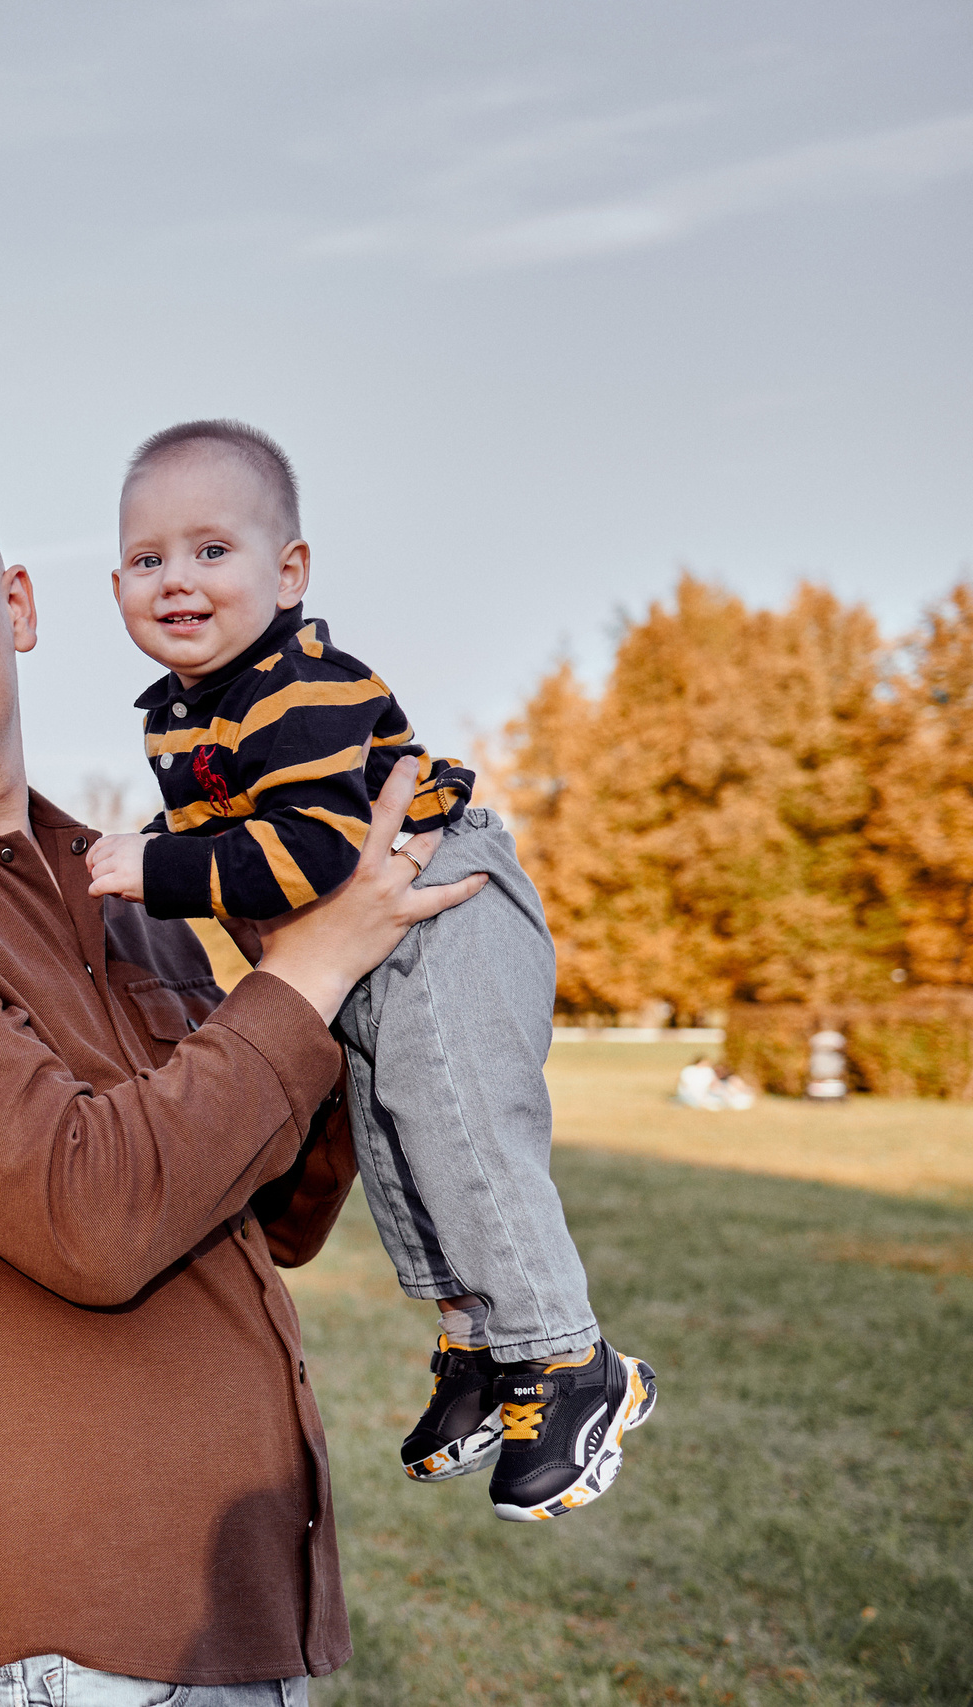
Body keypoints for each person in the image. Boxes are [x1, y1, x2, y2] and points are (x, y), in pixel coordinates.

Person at [0, 451, 483, 1707]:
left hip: (238, 1616)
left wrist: (356, 969)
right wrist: (306, 970)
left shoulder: (132, 883)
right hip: (64, 1641)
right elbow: (95, 1217)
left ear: (17, 608)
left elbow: (272, 1215)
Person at [85, 421, 658, 1526]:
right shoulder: (184, 712)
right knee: (391, 1129)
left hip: (441, 897)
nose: (176, 580)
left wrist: (154, 868)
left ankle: (568, 1357)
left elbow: (311, 850)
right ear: (117, 588)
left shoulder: (299, 686)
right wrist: (163, 853)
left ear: (289, 571)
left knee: (456, 1116)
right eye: (147, 559)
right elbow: (228, 838)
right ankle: (480, 1343)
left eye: (212, 550)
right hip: (366, 930)